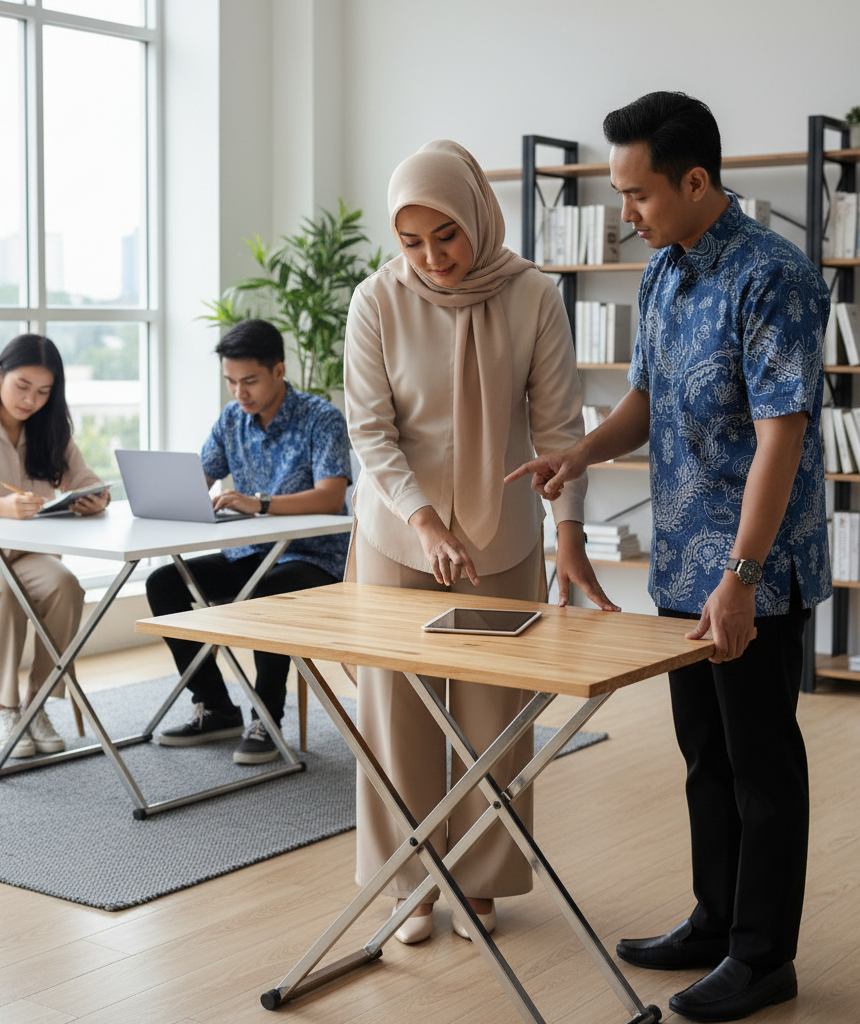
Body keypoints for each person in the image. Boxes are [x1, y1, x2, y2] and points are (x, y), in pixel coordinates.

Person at [509, 92, 831, 1022]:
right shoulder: (660, 272)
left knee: (761, 766)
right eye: (618, 193)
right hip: (683, 564)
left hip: (754, 573)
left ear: (696, 181)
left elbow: (781, 439)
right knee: (704, 756)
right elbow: (645, 403)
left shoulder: (774, 277)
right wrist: (580, 453)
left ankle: (763, 958)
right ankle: (714, 920)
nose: (625, 213)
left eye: (638, 194)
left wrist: (741, 578)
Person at [344, 139, 616, 946]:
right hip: (400, 535)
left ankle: (482, 878)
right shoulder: (375, 301)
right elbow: (370, 430)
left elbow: (560, 429)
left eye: (447, 236)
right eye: (411, 242)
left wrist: (569, 537)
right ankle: (409, 885)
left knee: (495, 717)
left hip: (503, 538)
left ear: (478, 216)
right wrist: (423, 521)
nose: (433, 258)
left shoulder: (533, 295)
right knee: (396, 714)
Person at [145, 318, 351, 765]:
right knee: (163, 583)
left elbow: (331, 497)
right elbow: (199, 479)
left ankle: (267, 719)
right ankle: (217, 707)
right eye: (231, 381)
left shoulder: (321, 418)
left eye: (250, 381)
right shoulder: (231, 419)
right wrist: (166, 496)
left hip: (313, 558)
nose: (239, 392)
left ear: (279, 370)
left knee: (268, 595)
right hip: (250, 553)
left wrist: (260, 504)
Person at [0, 333, 111, 757]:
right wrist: (1, 507)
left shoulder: (50, 430)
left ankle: (37, 703)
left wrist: (95, 499)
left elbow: (86, 480)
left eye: (43, 392)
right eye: (22, 386)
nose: (31, 400)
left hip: (26, 556)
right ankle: (4, 707)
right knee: (0, 591)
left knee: (66, 587)